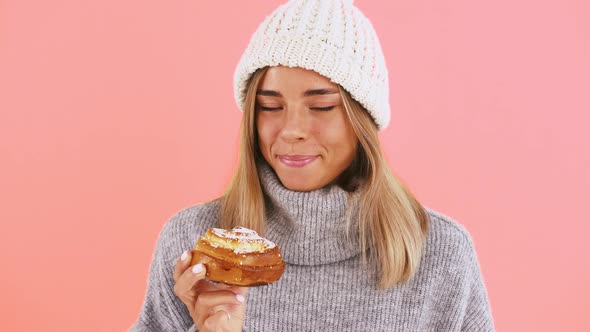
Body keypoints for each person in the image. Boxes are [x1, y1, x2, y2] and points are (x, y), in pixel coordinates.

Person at [129, 0, 495, 331]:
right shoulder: (195, 247)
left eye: (321, 106)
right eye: (270, 107)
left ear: (361, 119)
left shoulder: (440, 253)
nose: (291, 131)